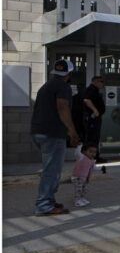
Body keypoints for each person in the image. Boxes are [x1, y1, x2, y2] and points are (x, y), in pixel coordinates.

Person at [31, 59, 80, 215]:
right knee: (51, 171)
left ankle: (49, 200)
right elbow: (62, 107)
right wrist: (72, 131)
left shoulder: (46, 86)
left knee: (50, 168)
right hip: (52, 133)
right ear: (69, 74)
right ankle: (44, 204)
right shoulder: (63, 87)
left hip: (39, 132)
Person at [83, 75, 107, 163]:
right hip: (92, 118)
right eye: (101, 82)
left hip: (95, 118)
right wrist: (95, 110)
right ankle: (91, 157)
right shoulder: (91, 90)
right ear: (95, 82)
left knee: (94, 138)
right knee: (92, 139)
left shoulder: (95, 90)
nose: (103, 84)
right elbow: (86, 100)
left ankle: (94, 156)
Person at [71, 143, 98, 207]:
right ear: (84, 152)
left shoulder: (92, 160)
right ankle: (77, 201)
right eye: (90, 152)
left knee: (84, 189)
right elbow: (77, 153)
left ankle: (82, 198)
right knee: (78, 189)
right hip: (77, 177)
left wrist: (101, 169)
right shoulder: (82, 157)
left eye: (94, 152)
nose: (92, 154)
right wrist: (80, 145)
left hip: (84, 178)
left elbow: (94, 168)